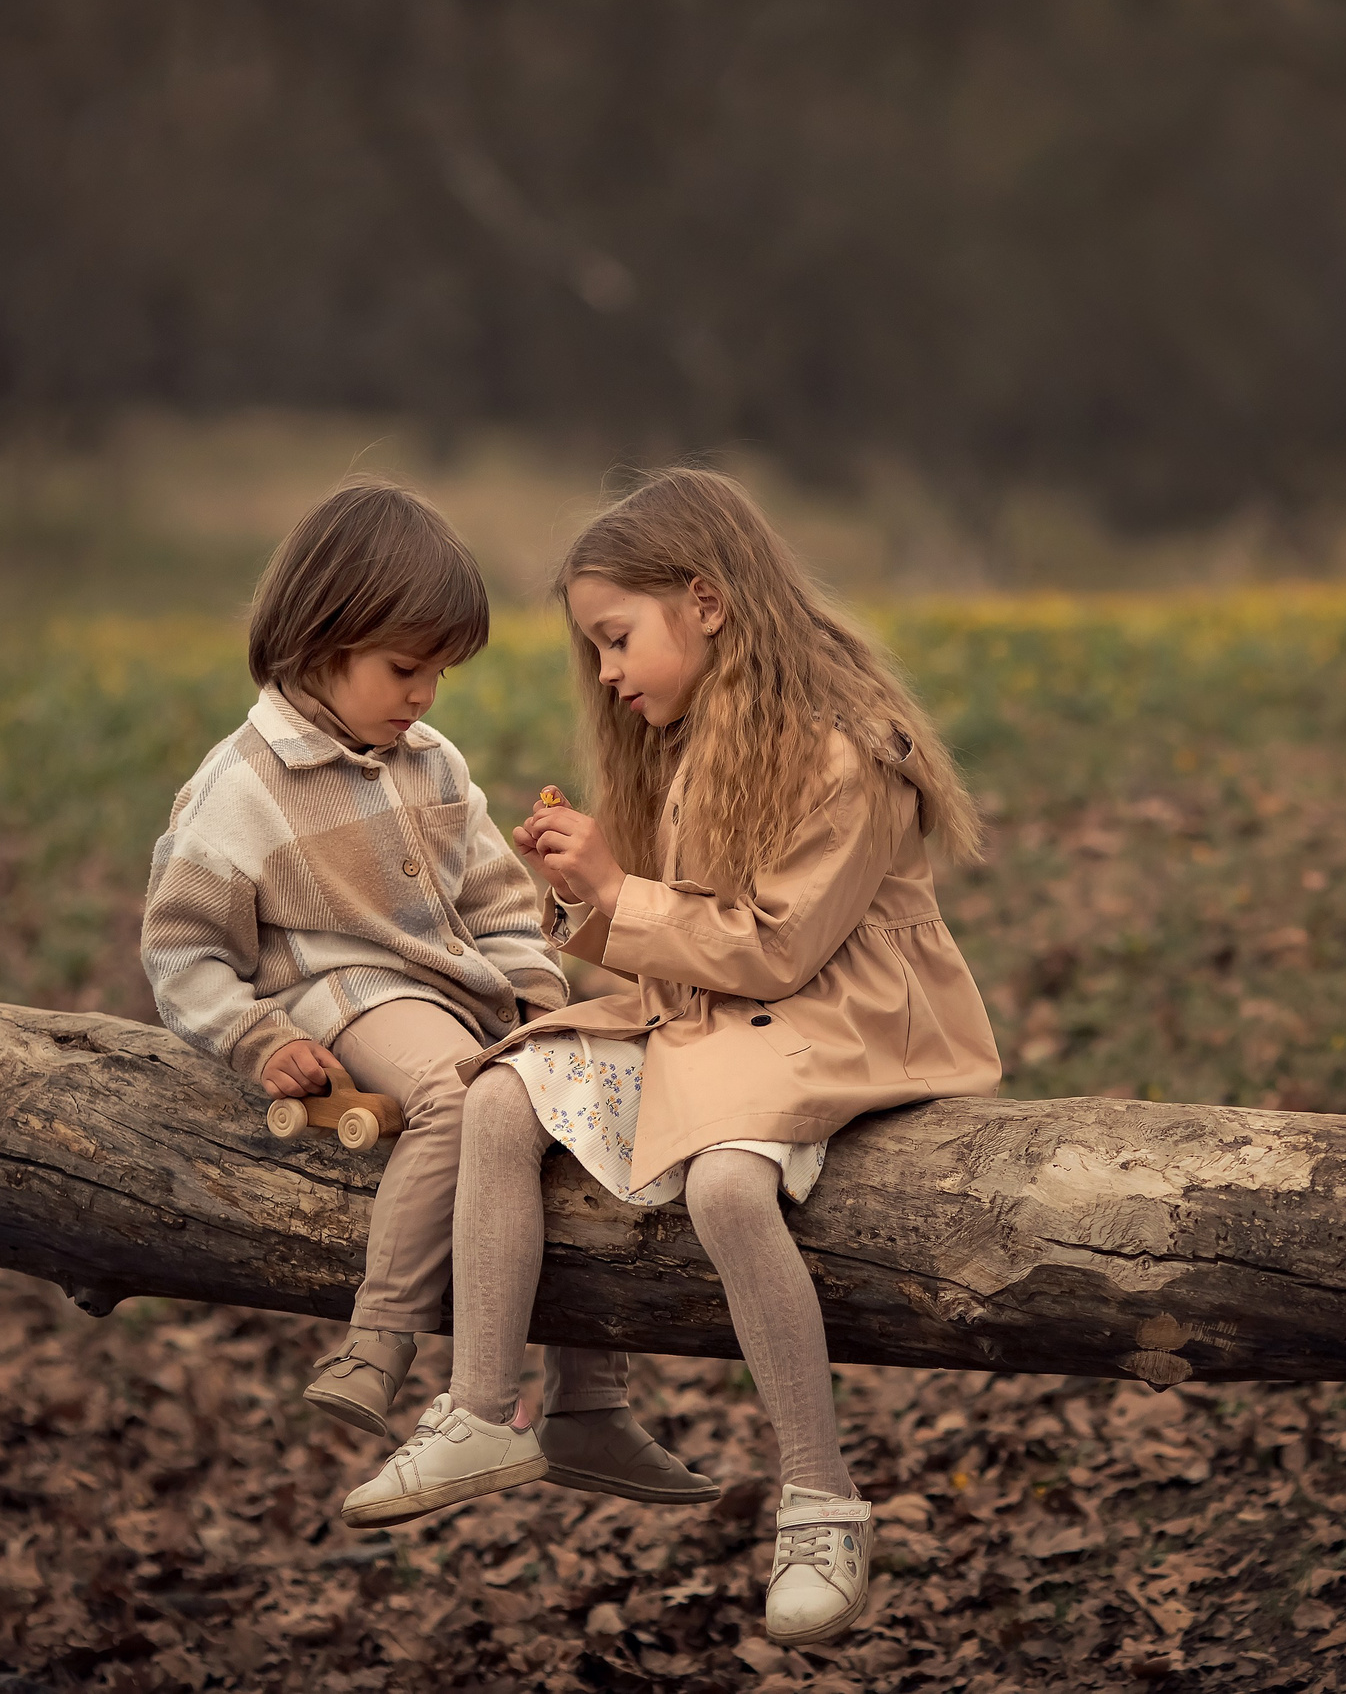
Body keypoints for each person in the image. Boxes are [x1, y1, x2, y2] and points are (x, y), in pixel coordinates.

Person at [337, 469, 1001, 1647]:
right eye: (594, 648)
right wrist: (585, 901)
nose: (605, 672)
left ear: (705, 599)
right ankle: (486, 1407)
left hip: (837, 1024)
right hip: (719, 1015)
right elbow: (673, 953)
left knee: (726, 1186)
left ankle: (820, 1498)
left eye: (615, 638)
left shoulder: (849, 750)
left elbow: (780, 950)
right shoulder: (697, 739)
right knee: (502, 1095)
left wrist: (612, 890)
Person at [140, 480, 716, 1512]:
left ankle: (588, 1404)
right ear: (320, 643)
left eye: (438, 674)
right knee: (456, 1094)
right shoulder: (241, 789)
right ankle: (379, 1338)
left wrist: (539, 996)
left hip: (466, 997)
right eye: (404, 670)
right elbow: (183, 954)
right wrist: (256, 1040)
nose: (424, 697)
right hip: (341, 995)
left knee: (577, 1108)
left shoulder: (433, 766)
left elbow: (497, 903)